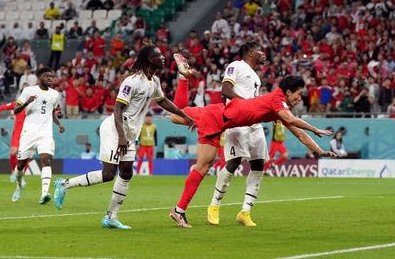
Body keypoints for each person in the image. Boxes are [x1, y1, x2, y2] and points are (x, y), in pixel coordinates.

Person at [167, 56, 336, 228]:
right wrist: (315, 129)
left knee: (175, 115)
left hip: (217, 115)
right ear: (288, 92)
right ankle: (179, 211)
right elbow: (292, 120)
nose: (300, 99)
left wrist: (319, 151)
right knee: (202, 166)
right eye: (299, 94)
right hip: (216, 119)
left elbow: (299, 134)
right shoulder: (277, 102)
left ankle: (183, 77)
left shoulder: (278, 107)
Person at [52, 45, 194, 230]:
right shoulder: (132, 82)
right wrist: (121, 137)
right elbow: (118, 109)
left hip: (130, 133)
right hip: (115, 129)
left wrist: (184, 115)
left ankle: (111, 217)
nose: (163, 58)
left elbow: (163, 101)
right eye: (158, 56)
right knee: (108, 174)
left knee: (126, 172)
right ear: (149, 59)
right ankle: (64, 184)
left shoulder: (155, 82)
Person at [206, 42, 267, 227]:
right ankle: (214, 205)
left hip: (255, 123)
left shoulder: (256, 76)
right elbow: (225, 90)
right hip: (238, 120)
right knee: (233, 163)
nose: (263, 53)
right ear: (250, 52)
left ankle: (245, 211)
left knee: (258, 165)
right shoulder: (236, 66)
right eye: (260, 50)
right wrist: (246, 106)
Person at [11, 67, 65, 204]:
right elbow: (16, 111)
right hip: (28, 133)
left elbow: (52, 112)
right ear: (39, 77)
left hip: (45, 133)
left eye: (51, 76)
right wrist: (27, 102)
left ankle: (44, 194)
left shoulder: (55, 94)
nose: (50, 78)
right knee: (20, 164)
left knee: (46, 160)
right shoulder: (28, 91)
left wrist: (59, 124)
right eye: (47, 76)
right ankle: (19, 185)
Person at [0, 100, 26, 179]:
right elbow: (2, 107)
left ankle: (22, 174)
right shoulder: (17, 103)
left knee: (25, 155)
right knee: (13, 152)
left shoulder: (33, 104)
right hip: (17, 132)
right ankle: (14, 172)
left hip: (28, 133)